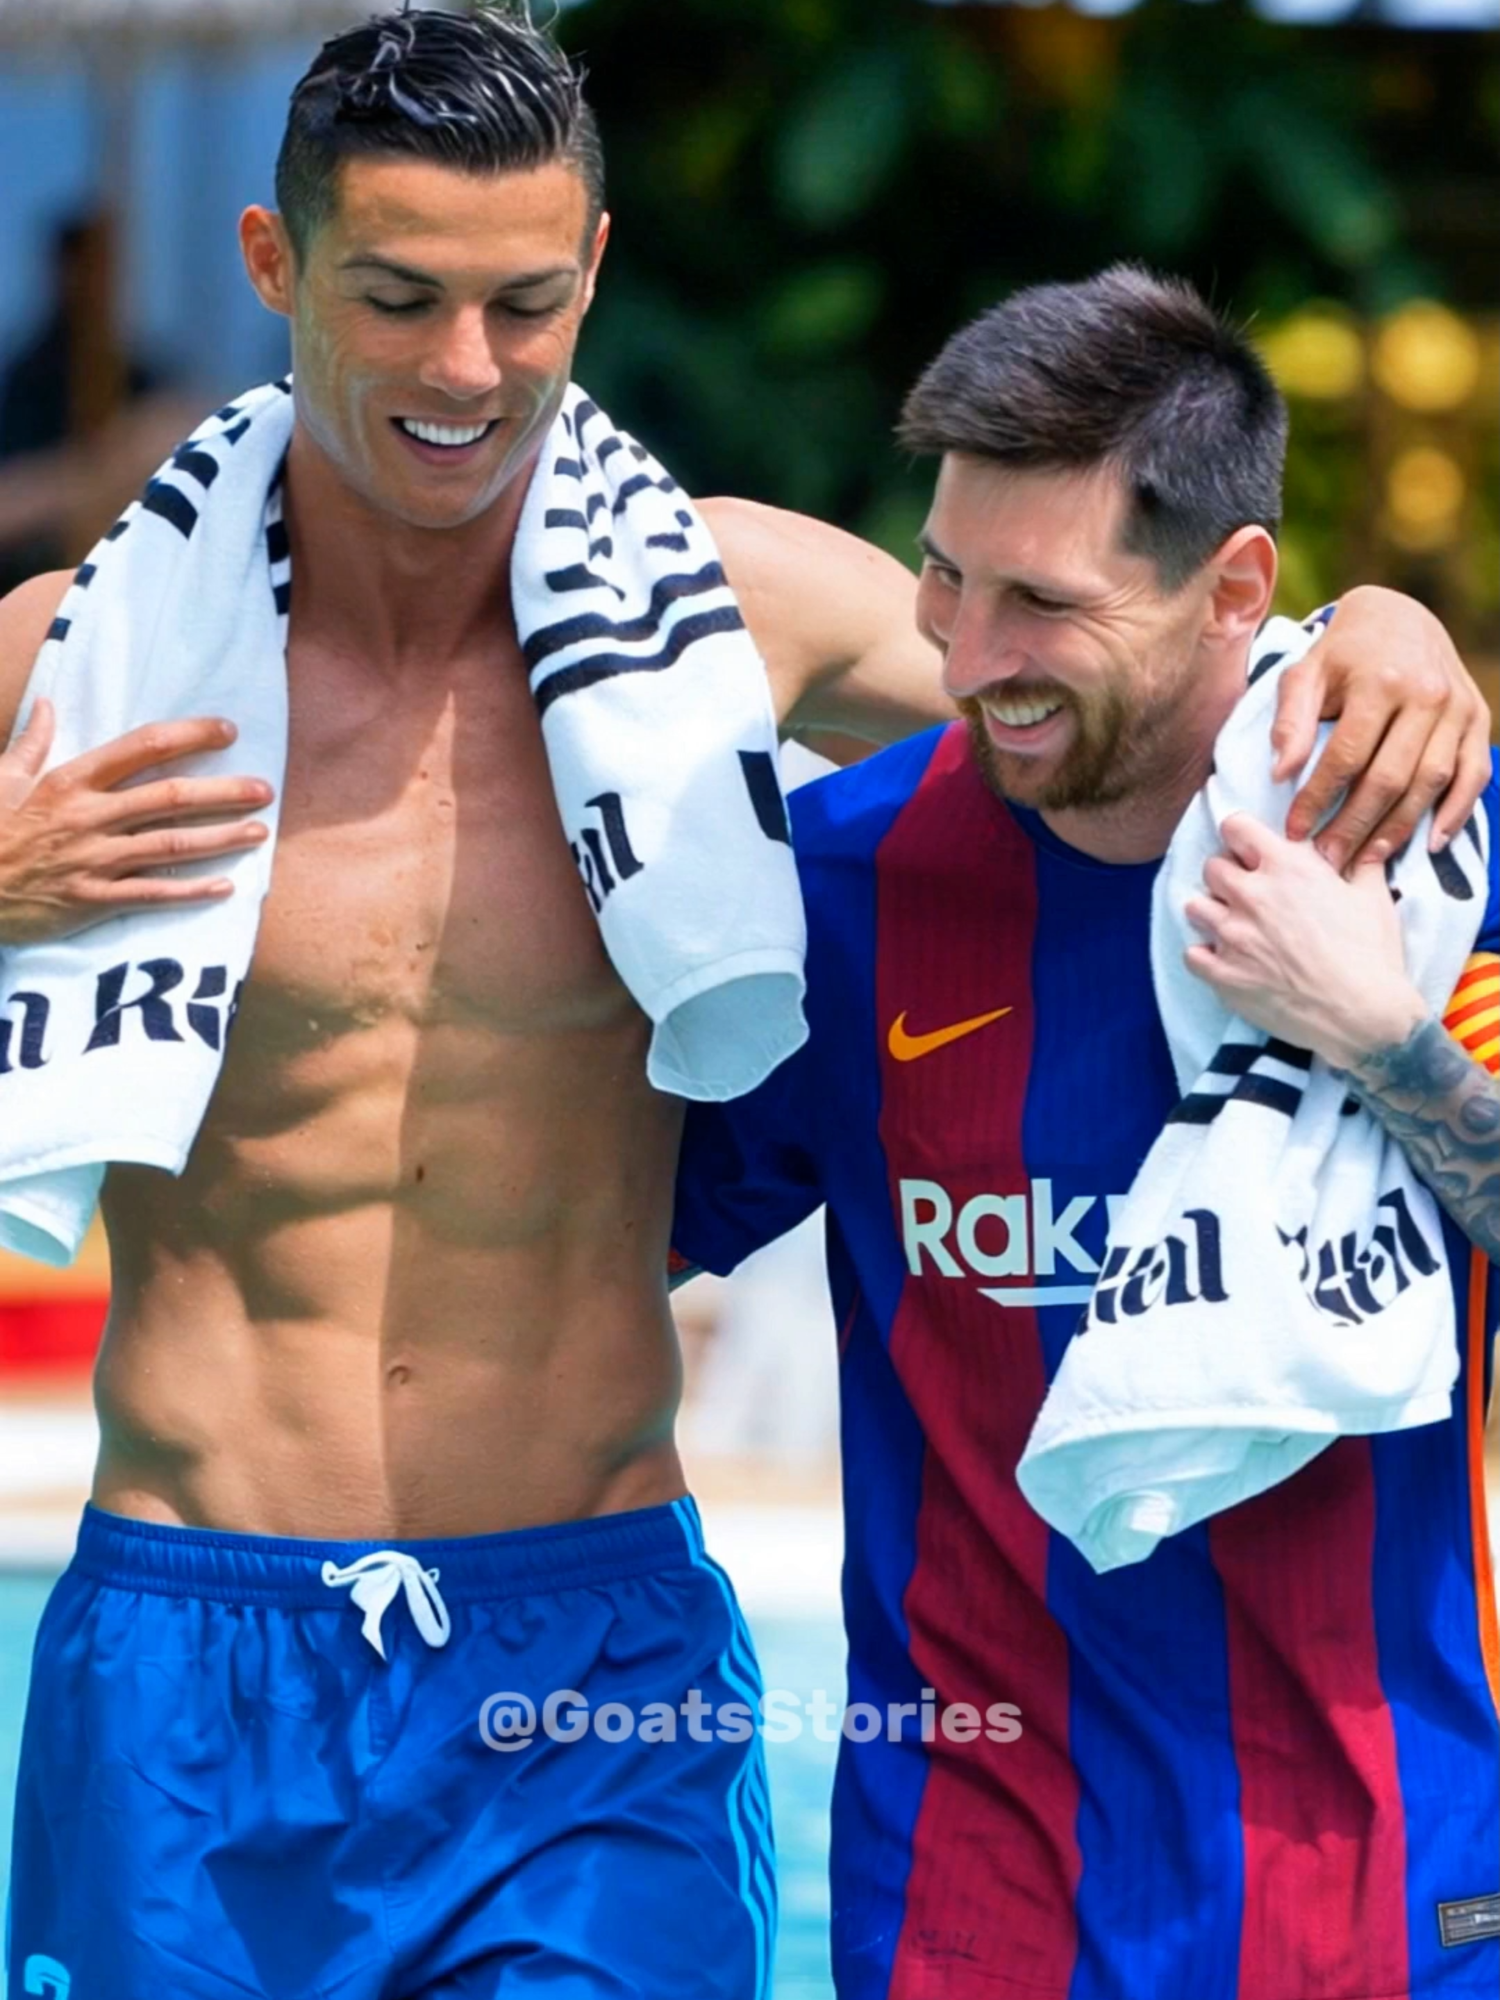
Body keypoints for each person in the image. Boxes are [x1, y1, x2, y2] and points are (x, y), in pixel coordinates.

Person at [0, 8, 1487, 1995]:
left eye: (527, 301)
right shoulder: (73, 673)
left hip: (583, 1655)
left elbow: (1123, 676)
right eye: (400, 296)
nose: (469, 369)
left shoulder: (739, 616)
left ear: (595, 271)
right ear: (274, 268)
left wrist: (1388, 631)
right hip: (185, 1641)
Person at [670, 267, 1499, 2000]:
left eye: (1040, 604)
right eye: (947, 581)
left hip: (1386, 1857)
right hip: (970, 1865)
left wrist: (1381, 1039)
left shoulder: (1435, 861)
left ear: (1237, 589)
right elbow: (561, 1252)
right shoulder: (844, 888)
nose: (967, 664)